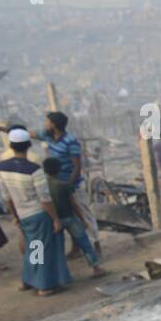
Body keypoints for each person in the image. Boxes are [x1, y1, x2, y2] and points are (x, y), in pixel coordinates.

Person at [0, 129, 70, 296]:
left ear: (11, 146)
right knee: (41, 250)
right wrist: (55, 219)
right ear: (28, 146)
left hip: (22, 214)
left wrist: (15, 216)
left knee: (33, 249)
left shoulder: (2, 168)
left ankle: (29, 280)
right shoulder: (34, 170)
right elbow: (44, 200)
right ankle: (44, 285)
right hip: (38, 214)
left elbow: (7, 197)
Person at [39, 111, 100, 261]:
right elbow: (28, 133)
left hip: (72, 186)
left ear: (53, 124)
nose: (44, 124)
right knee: (70, 218)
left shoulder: (71, 141)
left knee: (85, 216)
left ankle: (96, 246)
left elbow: (77, 167)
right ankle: (76, 248)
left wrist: (69, 186)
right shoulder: (48, 137)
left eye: (47, 122)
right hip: (59, 186)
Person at [42, 158, 102, 275]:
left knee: (58, 248)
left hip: (56, 220)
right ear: (59, 169)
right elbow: (73, 204)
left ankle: (61, 275)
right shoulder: (64, 185)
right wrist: (82, 219)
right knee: (85, 243)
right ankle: (96, 268)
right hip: (70, 217)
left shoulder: (45, 187)